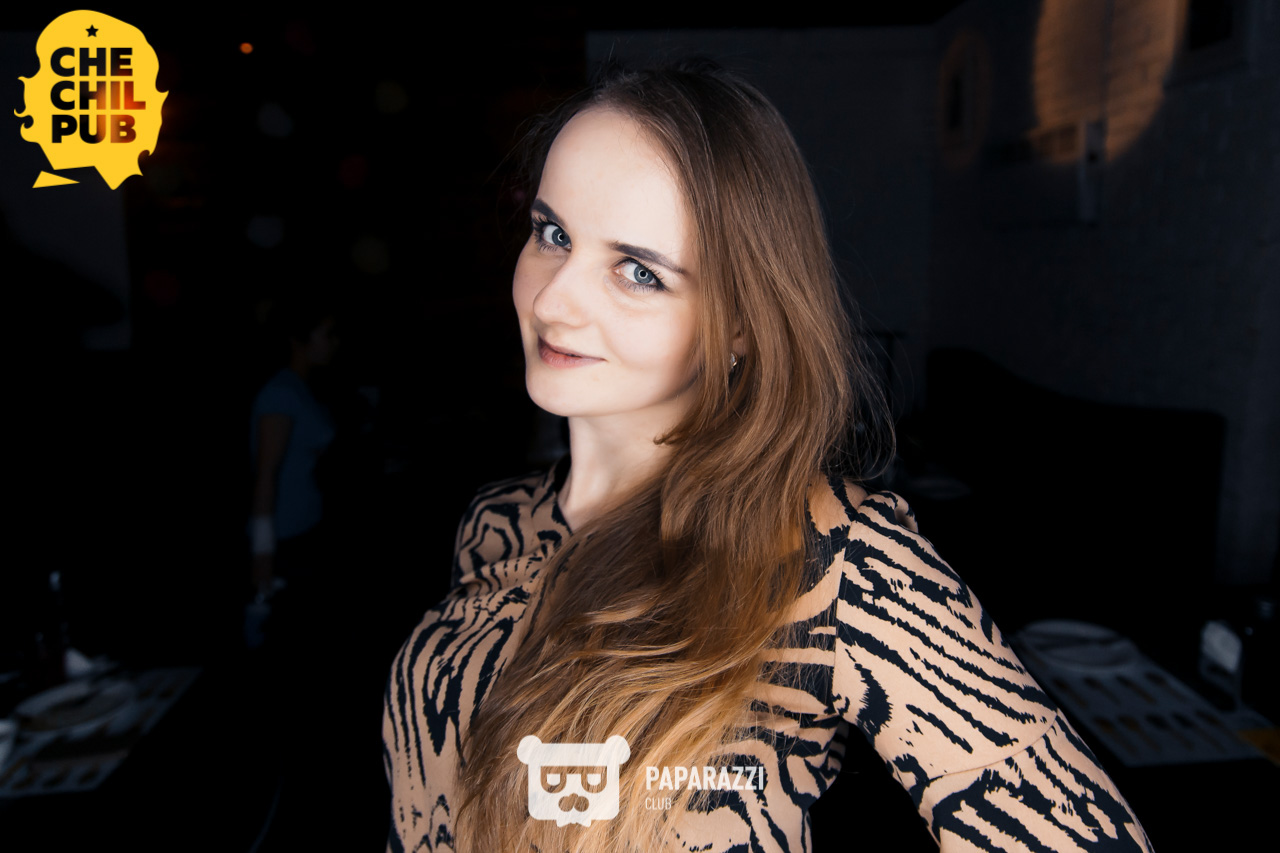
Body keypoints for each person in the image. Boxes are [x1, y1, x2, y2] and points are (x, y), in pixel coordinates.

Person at [382, 62, 1153, 853]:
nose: (552, 300)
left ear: (740, 323)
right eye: (553, 234)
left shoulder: (834, 562)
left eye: (638, 271)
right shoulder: (498, 520)